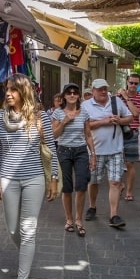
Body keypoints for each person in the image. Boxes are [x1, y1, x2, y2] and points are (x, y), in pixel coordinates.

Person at [0, 74, 59, 279]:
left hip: (35, 179)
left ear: (24, 92)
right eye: (7, 90)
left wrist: (54, 178)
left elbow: (50, 147)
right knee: (12, 229)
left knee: (27, 230)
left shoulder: (40, 118)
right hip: (8, 178)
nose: (8, 93)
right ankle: (27, 253)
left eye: (13, 90)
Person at [82, 78, 132, 228]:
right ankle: (92, 206)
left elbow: (129, 117)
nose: (103, 91)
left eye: (105, 88)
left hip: (116, 150)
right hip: (94, 152)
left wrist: (120, 120)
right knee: (94, 181)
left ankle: (114, 215)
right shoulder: (85, 105)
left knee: (115, 182)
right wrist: (103, 121)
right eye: (99, 89)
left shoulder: (116, 101)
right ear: (93, 91)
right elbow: (84, 126)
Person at [52, 83, 95, 237]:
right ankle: (69, 219)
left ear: (78, 95)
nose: (72, 95)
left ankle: (79, 220)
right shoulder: (58, 113)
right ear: (64, 96)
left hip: (81, 151)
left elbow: (88, 135)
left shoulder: (84, 113)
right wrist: (64, 121)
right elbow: (54, 136)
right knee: (67, 187)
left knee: (82, 185)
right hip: (64, 151)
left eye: (75, 93)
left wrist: (93, 155)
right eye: (69, 92)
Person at [116, 73, 140, 200]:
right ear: (127, 82)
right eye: (131, 83)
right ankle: (119, 185)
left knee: (130, 163)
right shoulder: (117, 96)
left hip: (132, 132)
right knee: (115, 162)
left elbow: (135, 113)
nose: (133, 85)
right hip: (117, 132)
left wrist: (126, 97)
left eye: (136, 83)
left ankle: (129, 191)